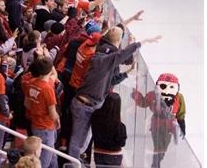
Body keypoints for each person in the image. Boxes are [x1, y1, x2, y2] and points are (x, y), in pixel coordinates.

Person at [68, 28, 161, 161]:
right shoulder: (102, 61)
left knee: (84, 140)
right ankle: (72, 163)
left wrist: (127, 72)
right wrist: (142, 42)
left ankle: (76, 159)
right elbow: (120, 55)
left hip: (92, 105)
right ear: (118, 41)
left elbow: (111, 80)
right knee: (77, 140)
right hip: (84, 105)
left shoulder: (103, 62)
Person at [24, 57, 59, 168]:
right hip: (46, 127)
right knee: (44, 161)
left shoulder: (32, 82)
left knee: (52, 156)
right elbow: (53, 114)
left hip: (35, 123)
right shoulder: (48, 88)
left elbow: (27, 104)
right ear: (49, 70)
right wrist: (57, 119)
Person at [91, 93, 127, 168]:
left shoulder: (95, 119)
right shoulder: (120, 126)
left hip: (98, 153)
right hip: (114, 156)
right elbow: (122, 143)